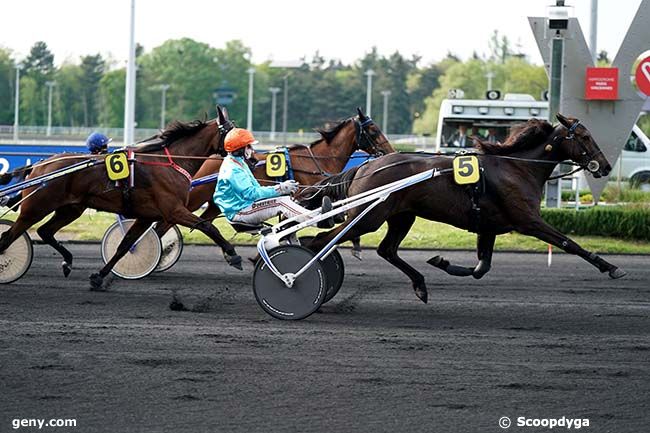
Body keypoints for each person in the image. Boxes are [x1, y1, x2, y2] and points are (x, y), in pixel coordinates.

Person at [213, 128, 334, 229]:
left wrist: (280, 190)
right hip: (239, 212)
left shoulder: (238, 162)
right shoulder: (233, 169)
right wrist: (280, 189)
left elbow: (256, 188)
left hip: (244, 207)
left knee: (285, 199)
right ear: (240, 149)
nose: (252, 149)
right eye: (248, 146)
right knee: (282, 202)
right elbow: (251, 194)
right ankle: (318, 221)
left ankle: (316, 215)